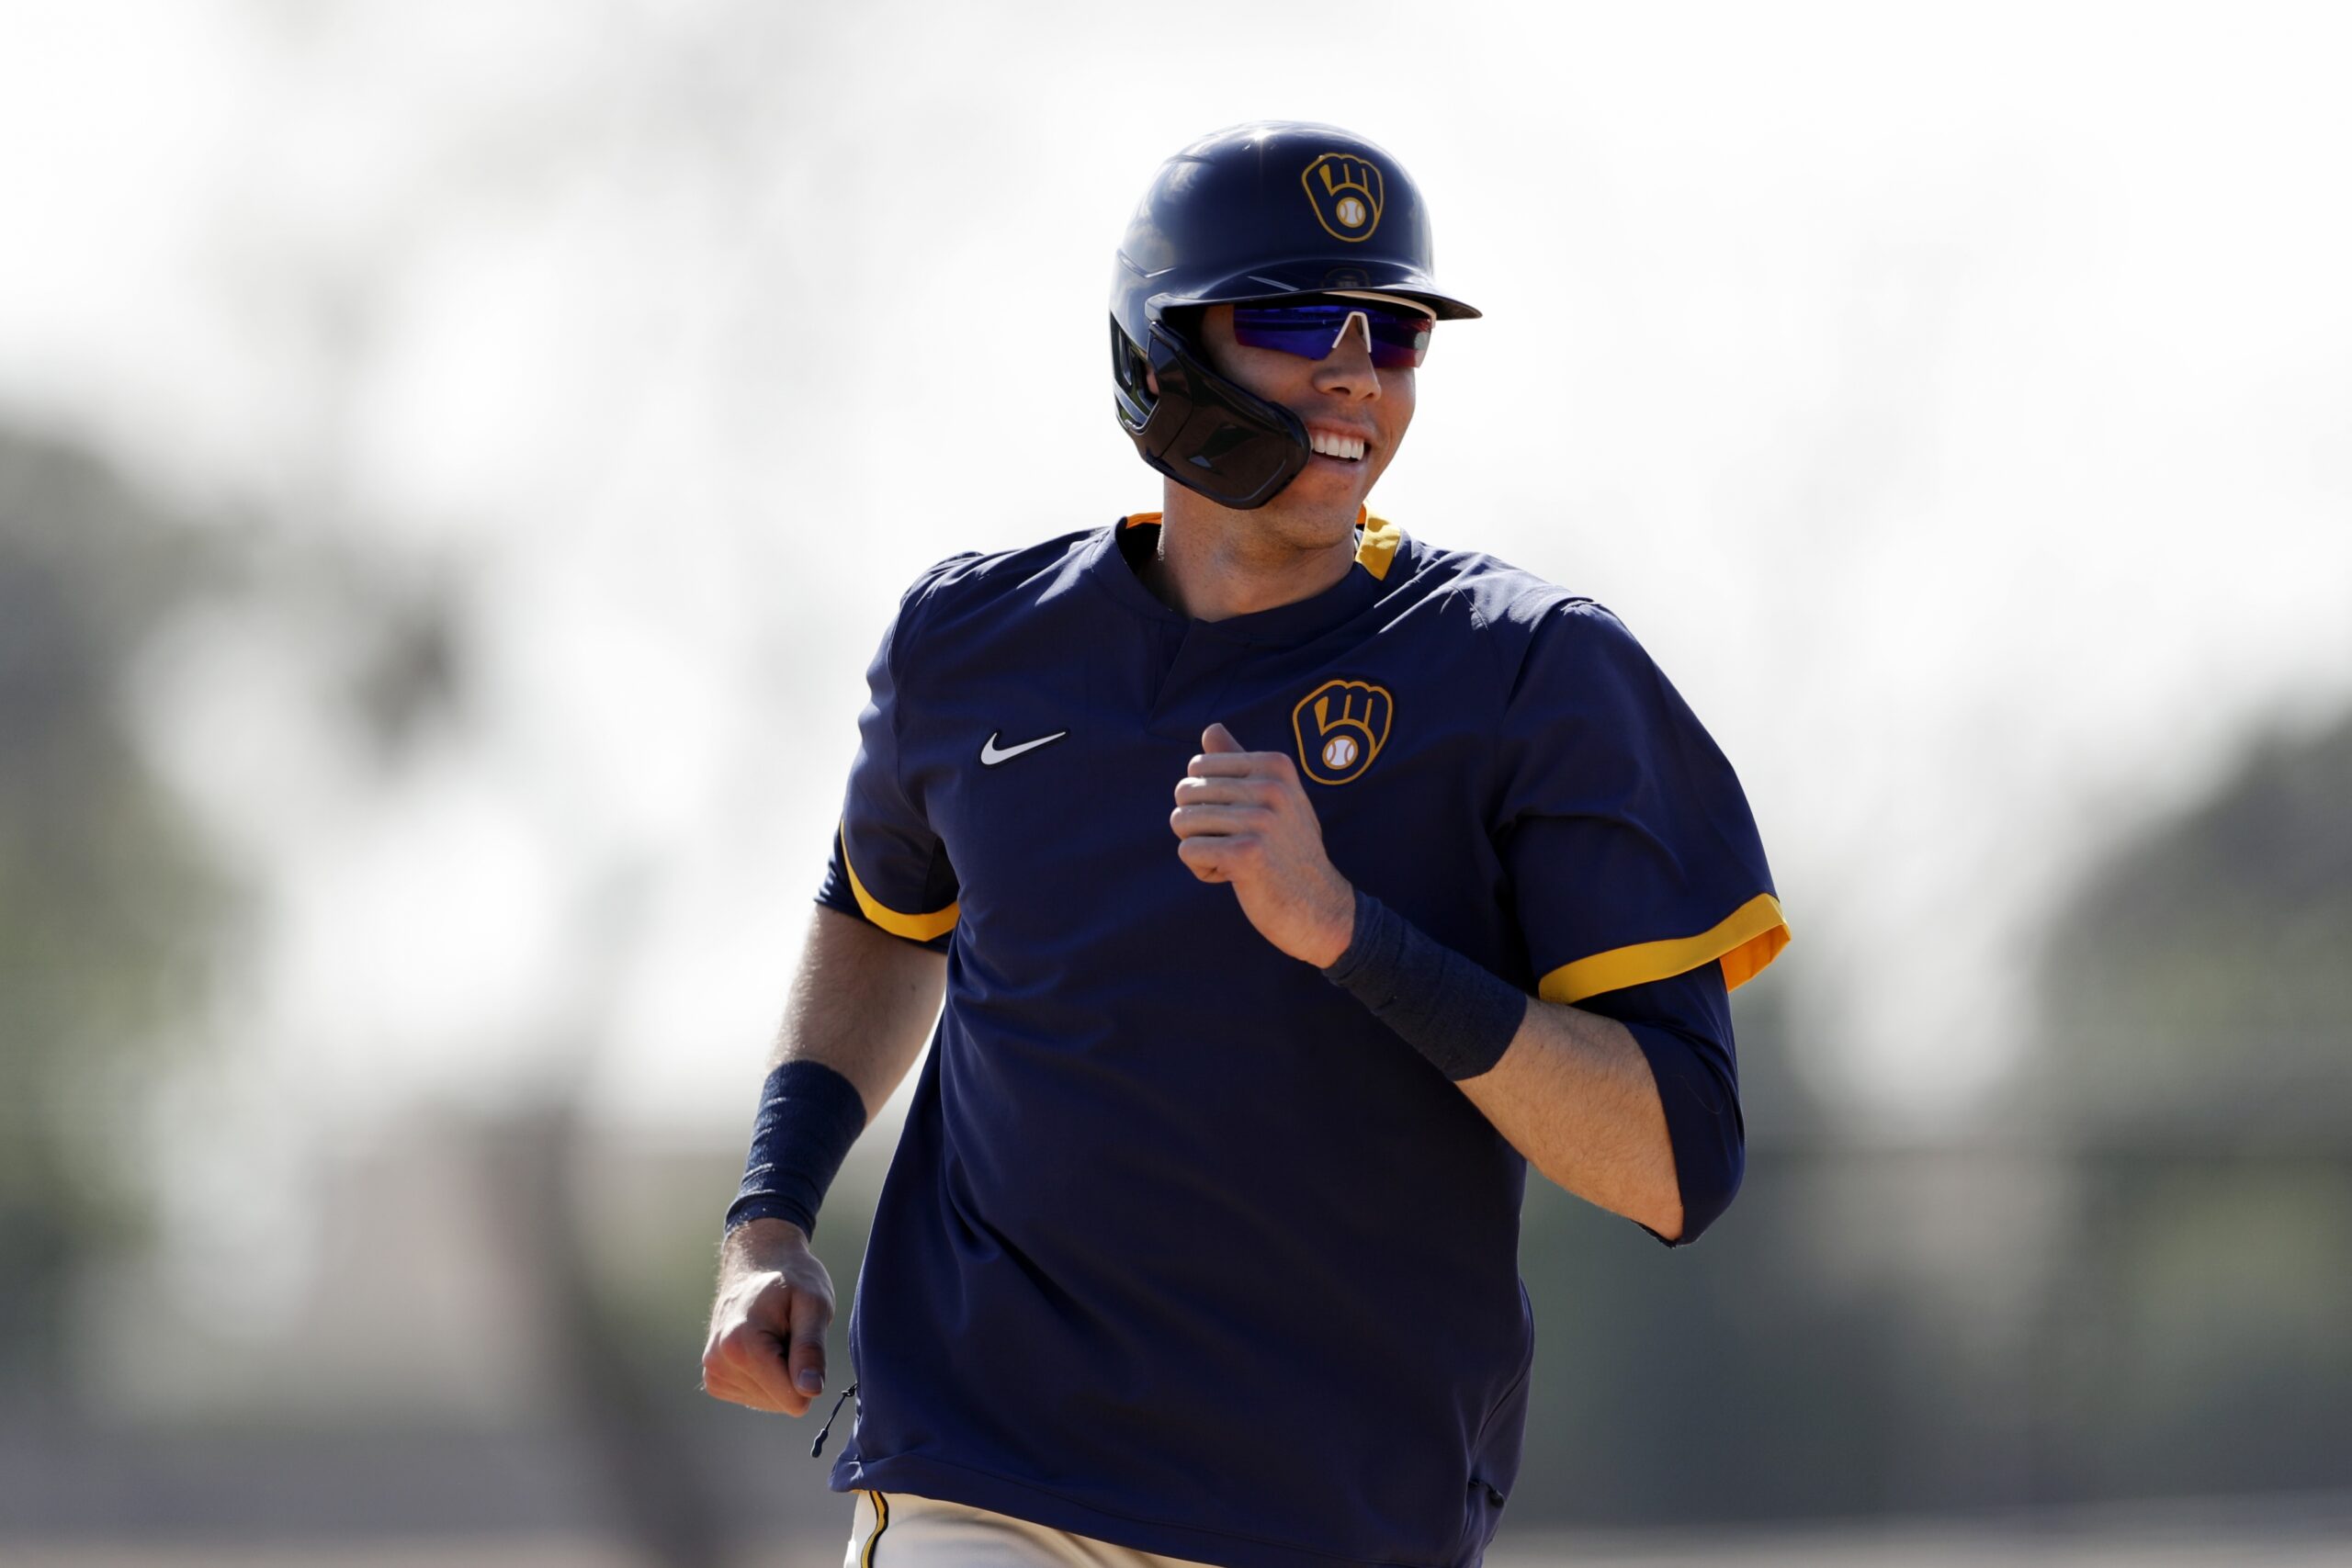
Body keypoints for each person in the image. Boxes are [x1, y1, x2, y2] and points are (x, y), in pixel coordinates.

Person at [701, 120, 1789, 1568]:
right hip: (986, 1471)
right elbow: (879, 913)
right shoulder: (970, 643)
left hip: (1337, 1515)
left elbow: (1675, 1162)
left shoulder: (1532, 673)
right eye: (1290, 317)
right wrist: (767, 1213)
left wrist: (1352, 933)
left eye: (1395, 334)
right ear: (1159, 355)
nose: (1354, 372)